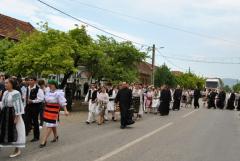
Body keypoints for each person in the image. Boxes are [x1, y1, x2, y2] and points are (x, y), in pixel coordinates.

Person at [0, 78, 25, 158]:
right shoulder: (5, 92)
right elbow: (3, 103)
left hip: (14, 114)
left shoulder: (16, 93)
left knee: (17, 131)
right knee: (4, 130)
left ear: (12, 84)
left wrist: (17, 117)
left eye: (7, 83)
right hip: (6, 113)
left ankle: (17, 150)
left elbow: (18, 105)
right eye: (5, 83)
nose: (5, 84)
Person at [40, 80, 69, 148]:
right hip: (47, 110)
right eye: (49, 84)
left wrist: (65, 110)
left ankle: (44, 140)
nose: (49, 85)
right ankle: (56, 136)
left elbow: (62, 102)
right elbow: (45, 99)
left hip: (54, 111)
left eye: (51, 84)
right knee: (52, 124)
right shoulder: (48, 92)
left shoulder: (59, 93)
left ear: (55, 85)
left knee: (50, 124)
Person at [25, 77, 44, 142]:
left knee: (35, 121)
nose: (30, 81)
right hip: (28, 106)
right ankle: (27, 131)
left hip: (35, 107)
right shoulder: (27, 88)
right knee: (27, 119)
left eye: (31, 80)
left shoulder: (38, 89)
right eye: (29, 80)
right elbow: (26, 96)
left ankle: (36, 136)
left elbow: (41, 99)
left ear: (35, 81)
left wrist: (32, 101)